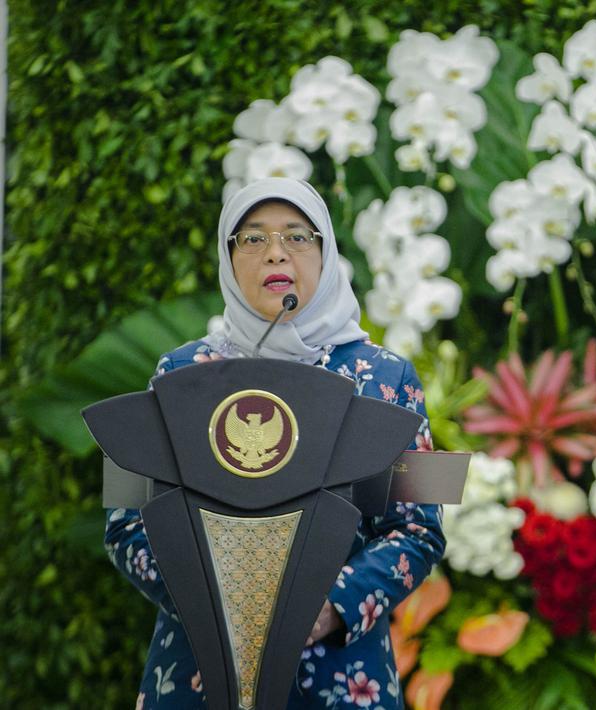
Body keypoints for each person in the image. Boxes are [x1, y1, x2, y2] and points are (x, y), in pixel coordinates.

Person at [104, 177, 444, 709]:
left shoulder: (389, 377)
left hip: (341, 676)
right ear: (229, 257)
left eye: (297, 236)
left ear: (326, 252)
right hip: (198, 673)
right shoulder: (176, 374)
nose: (276, 253)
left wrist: (331, 606)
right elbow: (124, 519)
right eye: (253, 238)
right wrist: (217, 610)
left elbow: (421, 526)